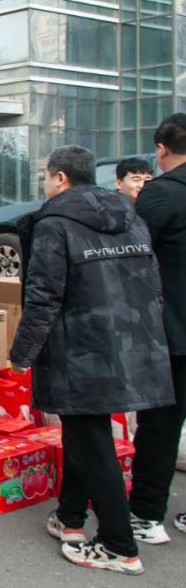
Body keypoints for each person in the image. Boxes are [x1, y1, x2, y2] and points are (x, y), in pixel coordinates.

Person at [9, 145, 173, 575]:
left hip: (79, 347)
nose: (46, 183)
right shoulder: (128, 215)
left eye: (47, 176)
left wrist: (22, 354)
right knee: (86, 432)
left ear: (60, 178)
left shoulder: (54, 223)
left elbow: (43, 297)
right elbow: (152, 282)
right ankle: (69, 517)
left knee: (91, 442)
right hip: (131, 339)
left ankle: (119, 545)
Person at [130, 114, 186, 542]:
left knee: (160, 426)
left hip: (173, 330)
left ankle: (146, 516)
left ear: (162, 150)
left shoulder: (161, 194)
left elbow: (132, 255)